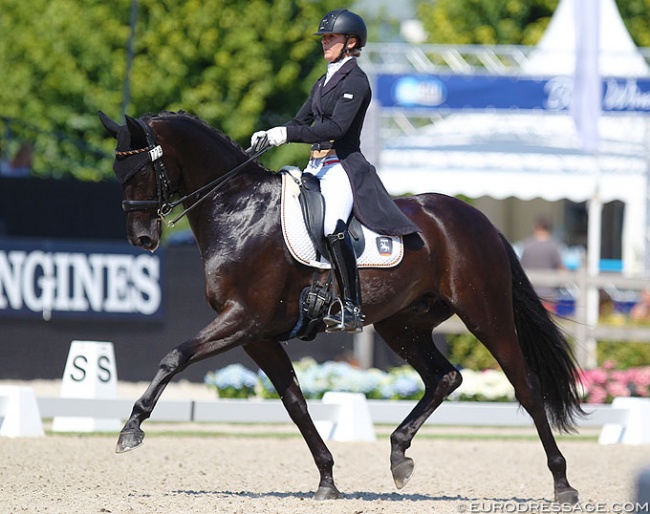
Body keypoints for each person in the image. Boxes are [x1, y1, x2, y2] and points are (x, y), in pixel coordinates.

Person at [251, 9, 419, 333]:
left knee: (331, 225)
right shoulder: (322, 81)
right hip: (315, 166)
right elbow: (300, 123)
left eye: (331, 37)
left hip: (342, 166)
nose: (324, 42)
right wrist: (271, 135)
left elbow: (337, 128)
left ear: (350, 42)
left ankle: (352, 307)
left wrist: (288, 135)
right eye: (324, 37)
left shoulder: (356, 80)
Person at [519, 215, 565, 311]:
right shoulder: (554, 246)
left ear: (535, 227)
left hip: (530, 292)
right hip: (548, 294)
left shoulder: (527, 244)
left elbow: (521, 268)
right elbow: (561, 268)